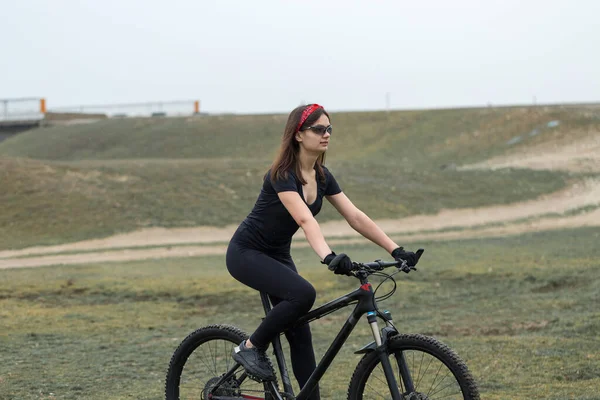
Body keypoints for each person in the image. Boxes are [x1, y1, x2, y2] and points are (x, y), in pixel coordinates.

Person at [226, 104, 420, 399]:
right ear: (299, 135)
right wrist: (328, 256)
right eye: (318, 129)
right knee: (304, 294)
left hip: (277, 254)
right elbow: (305, 219)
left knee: (301, 335)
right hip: (246, 253)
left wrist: (396, 249)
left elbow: (355, 216)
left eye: (329, 128)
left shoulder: (322, 176)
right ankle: (249, 348)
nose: (326, 134)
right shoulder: (282, 174)